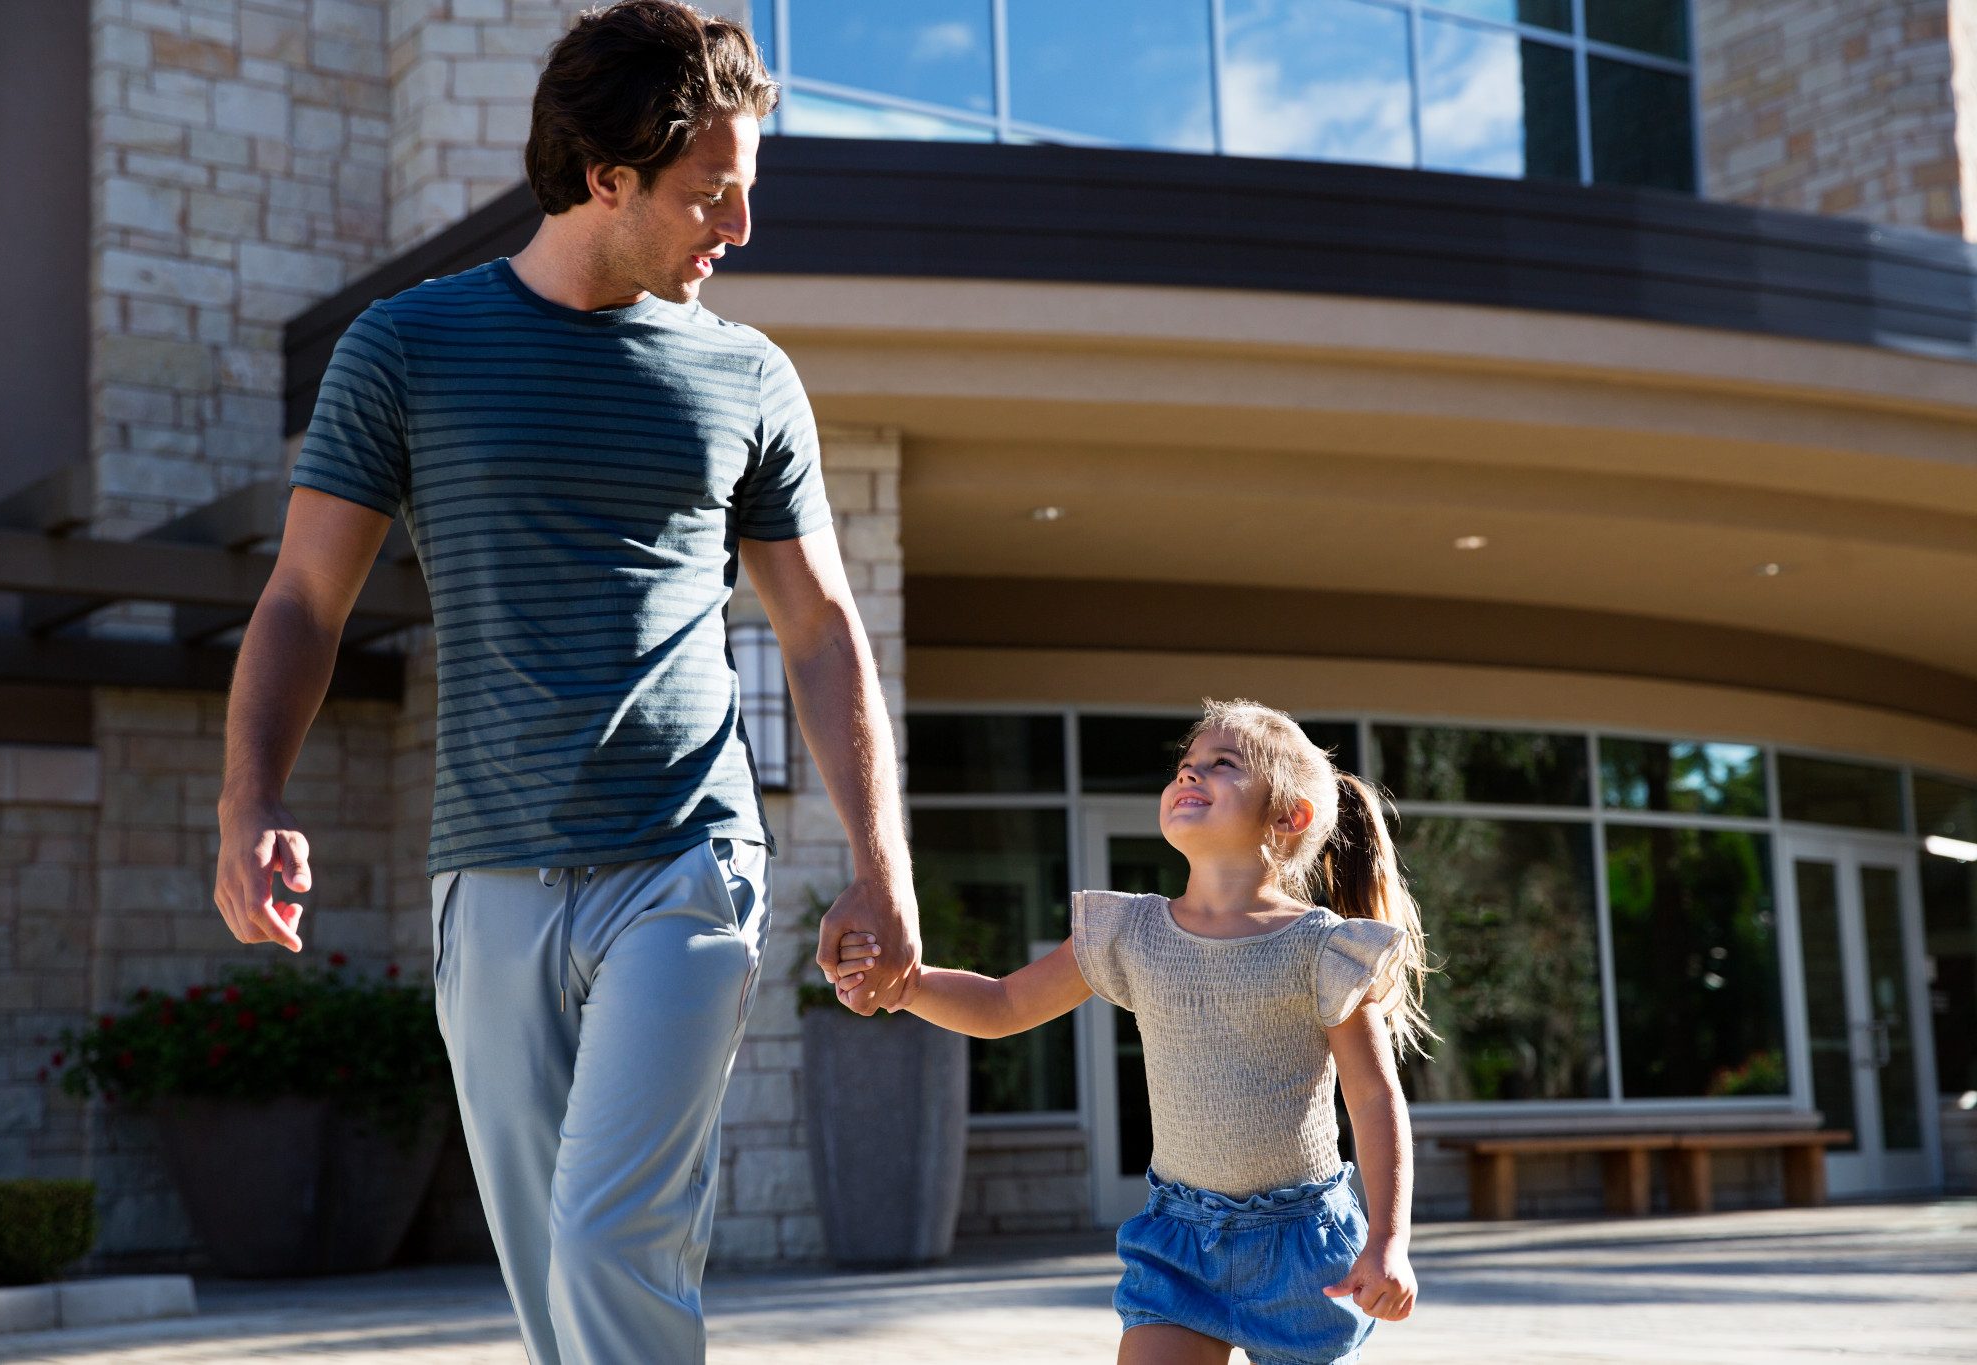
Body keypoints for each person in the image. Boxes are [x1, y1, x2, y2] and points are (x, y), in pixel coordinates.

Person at [210, 4, 919, 1361]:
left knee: (612, 1237)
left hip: (688, 860)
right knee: (555, 1274)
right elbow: (304, 598)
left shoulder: (748, 377)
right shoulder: (407, 349)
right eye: (714, 195)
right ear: (607, 176)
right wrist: (248, 802)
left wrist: (880, 860)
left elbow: (823, 630)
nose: (742, 229)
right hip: (491, 873)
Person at [834, 699, 1431, 1365]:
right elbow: (1003, 1005)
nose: (1189, 775)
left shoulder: (1320, 948)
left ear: (1289, 815)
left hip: (1301, 1251)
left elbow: (1375, 1099)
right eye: (1185, 766)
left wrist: (1388, 1240)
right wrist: (908, 985)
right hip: (1178, 1240)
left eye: (1221, 765)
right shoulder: (1131, 932)